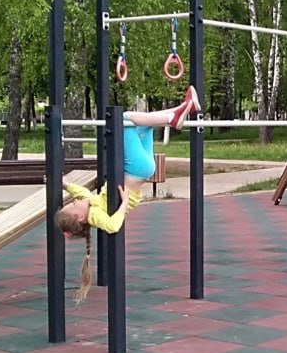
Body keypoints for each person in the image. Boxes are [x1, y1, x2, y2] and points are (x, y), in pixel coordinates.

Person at [55, 86, 200, 301]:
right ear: (81, 217)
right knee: (123, 119)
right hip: (135, 169)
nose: (76, 201)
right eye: (73, 204)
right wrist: (123, 204)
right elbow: (113, 226)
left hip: (143, 168)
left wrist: (66, 185)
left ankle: (182, 109)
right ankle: (174, 117)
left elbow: (83, 193)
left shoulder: (90, 205)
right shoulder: (96, 215)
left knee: (145, 124)